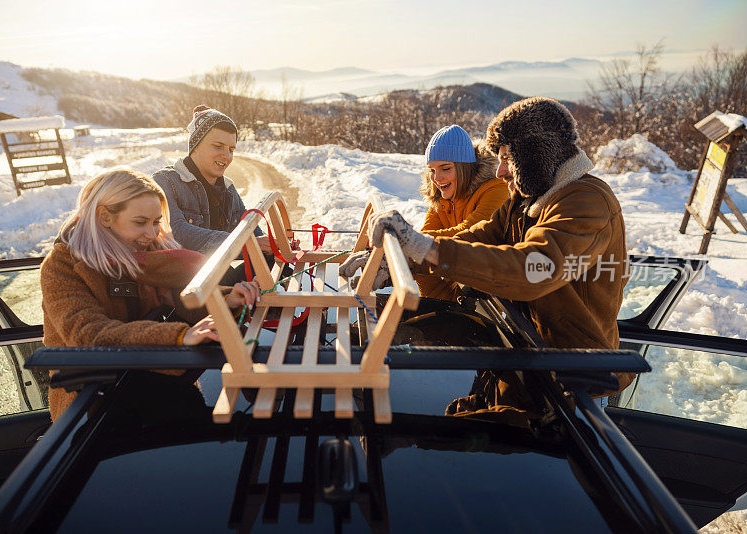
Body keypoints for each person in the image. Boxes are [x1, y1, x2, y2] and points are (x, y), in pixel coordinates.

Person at [340, 97, 632, 407]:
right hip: (526, 353)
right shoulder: (526, 200)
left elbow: (533, 269)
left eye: (508, 158)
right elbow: (480, 237)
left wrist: (424, 247)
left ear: (535, 155)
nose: (500, 171)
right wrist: (401, 255)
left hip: (574, 379)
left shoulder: (585, 202)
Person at [41, 168, 260, 420]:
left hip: (160, 388)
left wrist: (227, 299)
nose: (153, 233)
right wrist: (179, 336)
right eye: (140, 222)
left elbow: (183, 296)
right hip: (95, 409)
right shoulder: (62, 266)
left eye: (156, 221)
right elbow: (89, 334)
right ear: (104, 217)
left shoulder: (149, 251)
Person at [152, 105, 272, 257]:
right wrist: (244, 242)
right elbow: (177, 232)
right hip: (184, 277)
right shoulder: (165, 182)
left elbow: (251, 232)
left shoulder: (228, 189)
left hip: (218, 272)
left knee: (273, 262)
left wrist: (272, 244)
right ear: (195, 146)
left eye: (231, 149)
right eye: (218, 146)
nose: (227, 156)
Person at [416, 125, 508, 300]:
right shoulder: (442, 197)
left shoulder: (496, 190)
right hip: (456, 294)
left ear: (464, 167)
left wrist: (406, 241)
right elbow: (425, 239)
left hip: (493, 293)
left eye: (445, 168)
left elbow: (468, 234)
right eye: (432, 170)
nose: (437, 178)